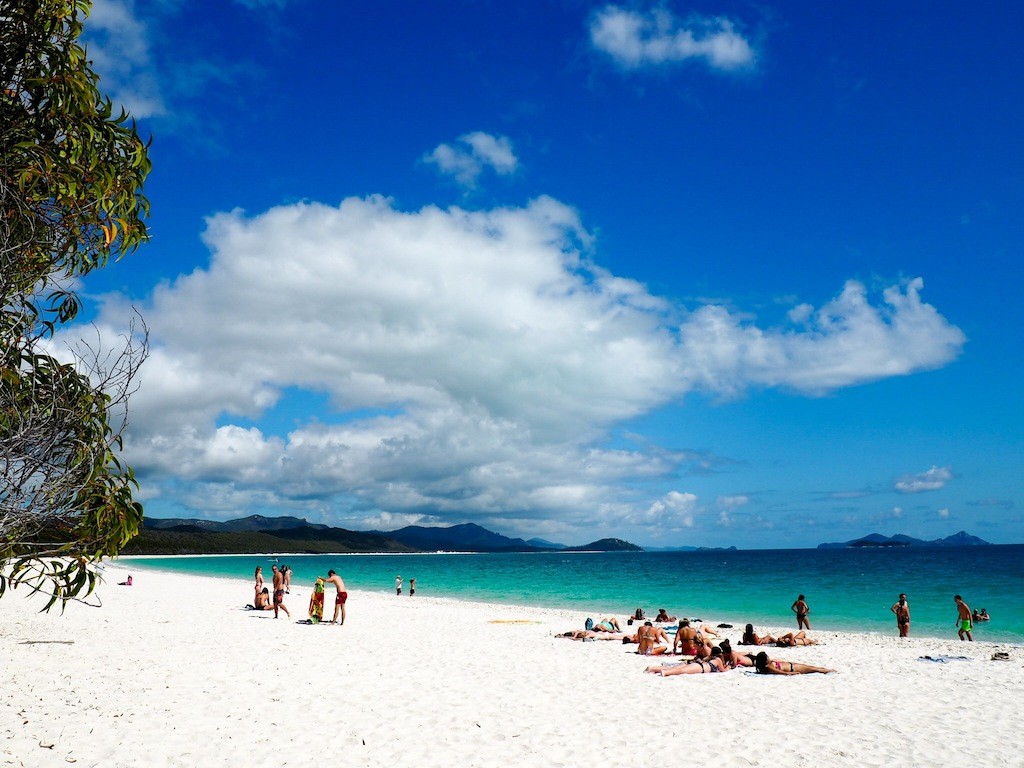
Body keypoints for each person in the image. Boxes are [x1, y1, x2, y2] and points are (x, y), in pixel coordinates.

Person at [646, 646, 728, 676]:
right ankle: (665, 672)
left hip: (699, 664)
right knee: (681, 671)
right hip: (700, 668)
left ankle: (653, 668)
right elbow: (723, 670)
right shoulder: (718, 660)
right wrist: (729, 667)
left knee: (677, 668)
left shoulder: (709, 658)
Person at [753, 651, 834, 675]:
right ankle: (832, 671)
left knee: (814, 667)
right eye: (767, 657)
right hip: (793, 668)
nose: (769, 657)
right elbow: (781, 672)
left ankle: (830, 670)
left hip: (792, 665)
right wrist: (794, 673)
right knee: (815, 669)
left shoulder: (769, 664)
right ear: (765, 660)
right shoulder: (769, 667)